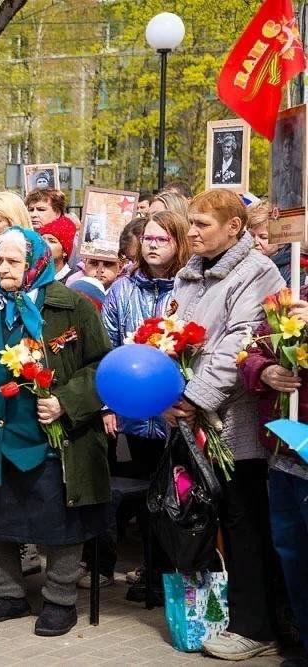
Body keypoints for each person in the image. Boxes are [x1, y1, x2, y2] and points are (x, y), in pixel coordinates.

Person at [0, 226, 111, 637]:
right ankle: (8, 594)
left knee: (59, 520)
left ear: (36, 264)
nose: (2, 267)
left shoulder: (73, 306)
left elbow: (101, 367)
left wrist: (65, 402)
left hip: (53, 440)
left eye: (12, 261)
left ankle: (60, 599)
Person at [165, 189, 284, 660]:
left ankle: (256, 625)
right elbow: (170, 335)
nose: (190, 232)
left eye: (202, 225)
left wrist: (193, 397)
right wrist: (168, 393)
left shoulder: (258, 272)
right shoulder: (187, 275)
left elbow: (239, 345)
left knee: (243, 521)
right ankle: (219, 613)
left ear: (234, 228)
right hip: (190, 417)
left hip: (236, 423)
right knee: (203, 517)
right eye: (189, 224)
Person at [94, 210, 191, 598]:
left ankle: (172, 574)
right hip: (135, 416)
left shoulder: (187, 287)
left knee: (178, 496)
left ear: (177, 242)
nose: (152, 245)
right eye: (147, 239)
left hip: (179, 413)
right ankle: (152, 571)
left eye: (161, 239)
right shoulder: (122, 289)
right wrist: (108, 405)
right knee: (148, 497)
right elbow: (107, 346)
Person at [239, 292, 308, 667]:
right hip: (286, 455)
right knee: (294, 560)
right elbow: (252, 347)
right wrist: (263, 370)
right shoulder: (294, 293)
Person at [247, 200, 291, 284]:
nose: (255, 242)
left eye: (263, 237)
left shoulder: (294, 269)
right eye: (251, 235)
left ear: (282, 241)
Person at [38, 216, 77, 283]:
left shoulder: (73, 281)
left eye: (52, 241)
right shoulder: (33, 277)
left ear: (64, 251)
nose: (45, 245)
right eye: (42, 240)